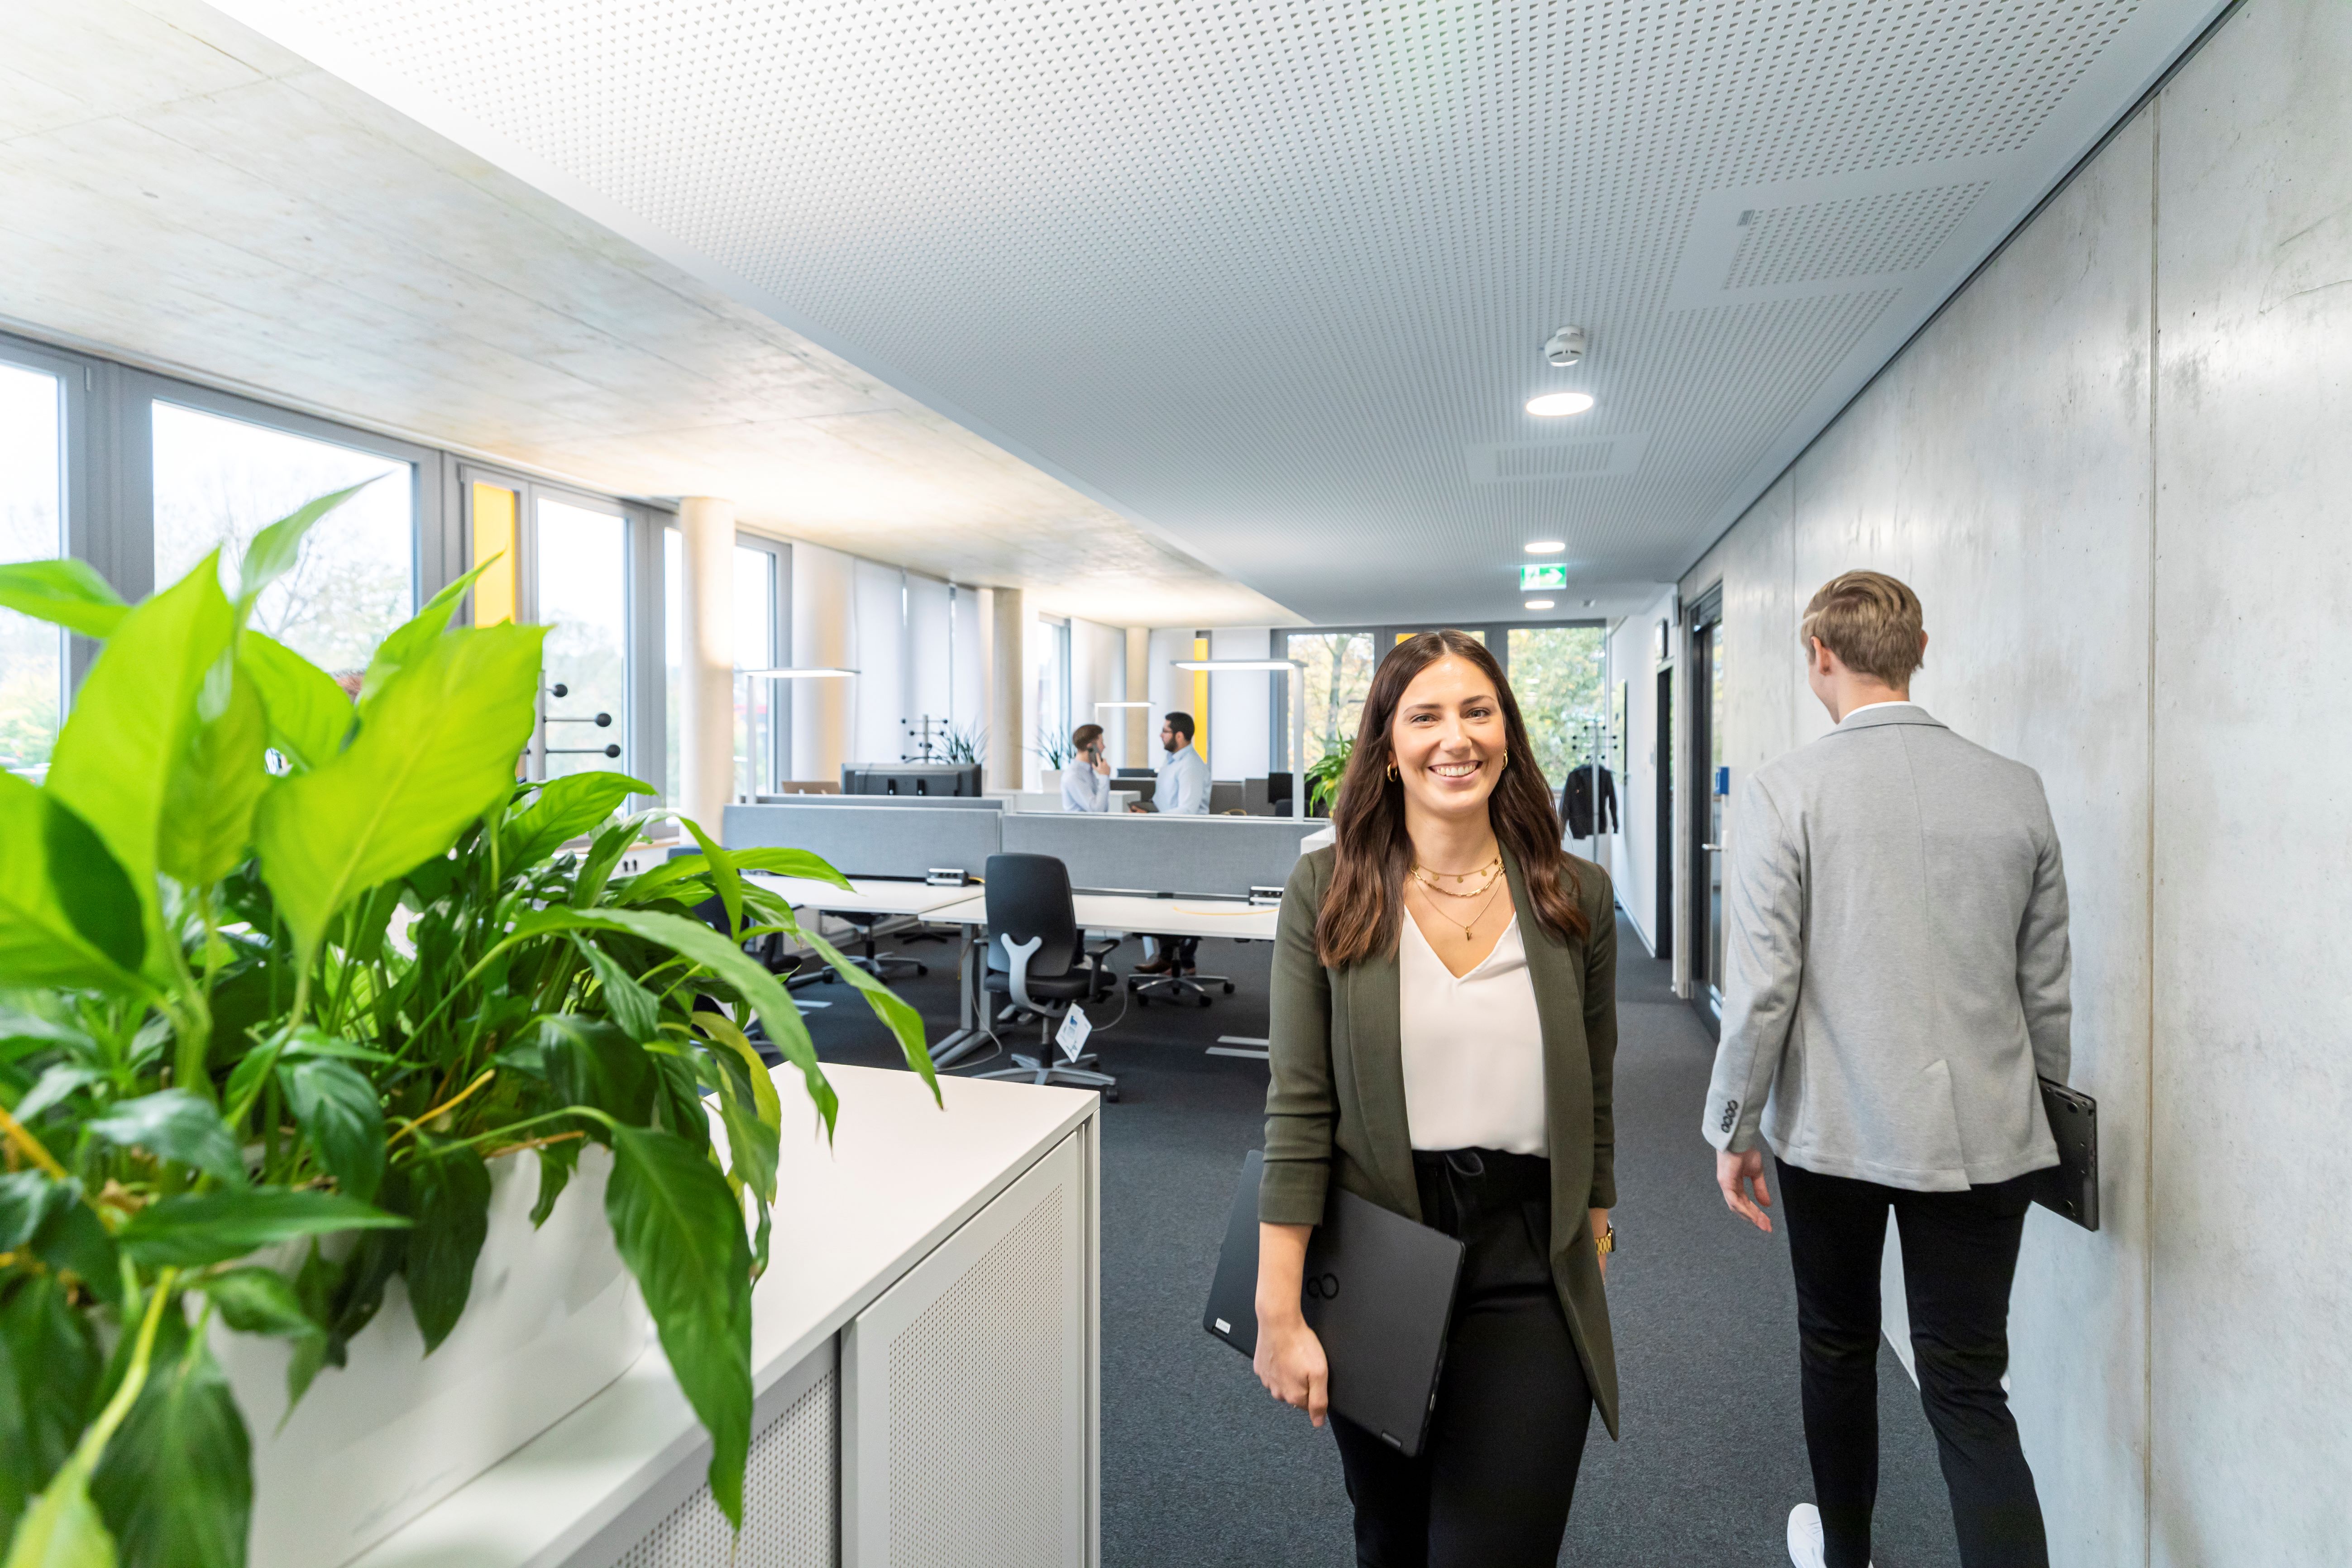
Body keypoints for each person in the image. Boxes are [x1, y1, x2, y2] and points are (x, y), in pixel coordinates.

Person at [1702, 571, 2070, 1568]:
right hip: (1990, 1139)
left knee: (1837, 1346)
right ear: (1917, 651)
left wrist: (1732, 1127)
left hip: (1838, 1131)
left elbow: (1766, 984)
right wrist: (2040, 1124)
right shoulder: (2015, 788)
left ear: (1821, 655)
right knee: (1965, 1386)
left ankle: (1848, 1554)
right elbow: (2046, 994)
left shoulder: (1788, 789)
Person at [1255, 631, 1620, 1568]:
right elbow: (1298, 1107)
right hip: (1376, 1245)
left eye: (1477, 711)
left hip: (1528, 1257)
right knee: (1392, 1537)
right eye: (1425, 715)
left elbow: (1597, 1086)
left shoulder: (1572, 896)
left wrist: (1597, 1226)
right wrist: (1279, 1310)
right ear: (1386, 744)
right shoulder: (1328, 890)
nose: (1454, 738)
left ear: (1508, 733)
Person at [1130, 711, 1211, 975]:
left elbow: (1188, 809)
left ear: (1179, 735)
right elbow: (1163, 801)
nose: (1160, 735)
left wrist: (1153, 815)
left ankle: (1185, 961)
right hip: (1167, 839)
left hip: (1186, 842)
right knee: (1161, 899)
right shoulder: (1171, 762)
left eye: (1165, 731)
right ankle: (1169, 959)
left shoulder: (1192, 766)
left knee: (1178, 900)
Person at [1061, 722, 1112, 812]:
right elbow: (1097, 811)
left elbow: (1104, 809)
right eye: (1102, 743)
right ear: (1091, 747)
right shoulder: (1074, 776)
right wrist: (1104, 777)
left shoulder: (1089, 772)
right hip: (1080, 826)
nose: (1104, 747)